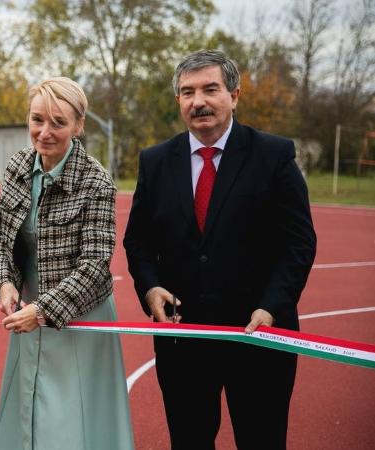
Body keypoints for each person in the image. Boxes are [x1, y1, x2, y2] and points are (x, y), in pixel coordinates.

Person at [123, 50, 317, 449]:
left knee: (261, 439)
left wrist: (273, 306)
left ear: (234, 95)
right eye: (187, 92)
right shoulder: (156, 161)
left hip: (260, 334)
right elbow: (137, 240)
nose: (199, 101)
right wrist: (150, 287)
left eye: (211, 89)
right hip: (183, 340)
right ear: (178, 100)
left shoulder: (274, 155)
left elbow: (298, 242)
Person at [0, 77, 134, 450]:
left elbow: (95, 264)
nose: (45, 132)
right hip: (28, 312)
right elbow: (1, 237)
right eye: (38, 119)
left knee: (69, 420)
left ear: (78, 125)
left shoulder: (96, 181)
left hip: (80, 316)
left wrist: (41, 310)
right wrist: (6, 283)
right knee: (28, 409)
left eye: (58, 122)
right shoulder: (18, 166)